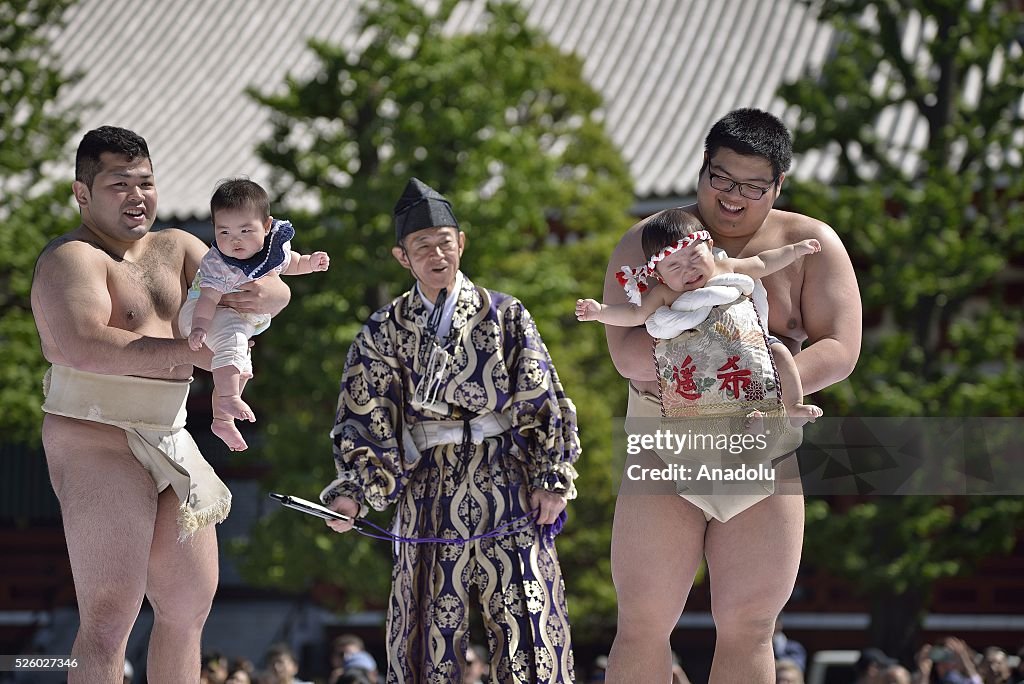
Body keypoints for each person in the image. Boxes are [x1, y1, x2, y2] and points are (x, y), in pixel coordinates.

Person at [600, 108, 861, 683]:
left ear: (778, 185)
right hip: (665, 439)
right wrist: (728, 360)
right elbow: (626, 351)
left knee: (749, 623)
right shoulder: (653, 240)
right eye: (721, 179)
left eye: (751, 187)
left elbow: (840, 347)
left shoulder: (808, 243)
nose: (734, 199)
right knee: (643, 619)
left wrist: (762, 373)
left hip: (760, 442)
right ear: (702, 169)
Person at [30, 126, 290, 682]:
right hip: (95, 435)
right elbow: (81, 344)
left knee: (188, 608)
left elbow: (265, 284)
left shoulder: (178, 246)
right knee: (109, 617)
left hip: (171, 432)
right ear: (83, 193)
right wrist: (193, 354)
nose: (136, 196)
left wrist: (262, 294)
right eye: (118, 184)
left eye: (144, 182)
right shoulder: (71, 258)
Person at [322, 178, 580, 683]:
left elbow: (542, 394)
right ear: (403, 257)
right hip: (426, 486)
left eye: (445, 242)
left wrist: (550, 477)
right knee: (423, 633)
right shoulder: (383, 330)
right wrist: (354, 492)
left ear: (461, 243)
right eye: (423, 247)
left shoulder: (506, 314)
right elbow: (363, 416)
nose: (437, 254)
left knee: (528, 626)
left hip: (505, 480)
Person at [576, 207, 823, 426]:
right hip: (705, 356)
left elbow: (762, 262)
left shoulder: (726, 267)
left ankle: (792, 406)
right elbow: (636, 314)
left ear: (710, 247)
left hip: (751, 342)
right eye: (675, 267)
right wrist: (601, 312)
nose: (689, 269)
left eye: (695, 257)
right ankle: (743, 422)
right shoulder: (665, 294)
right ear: (660, 276)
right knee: (708, 388)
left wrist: (794, 250)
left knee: (780, 354)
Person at [179, 178, 330, 451]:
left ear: (267, 226)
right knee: (233, 345)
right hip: (205, 313)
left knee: (242, 369)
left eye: (245, 230)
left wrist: (310, 263)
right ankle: (227, 398)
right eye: (224, 232)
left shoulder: (272, 248)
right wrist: (199, 327)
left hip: (234, 320)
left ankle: (222, 419)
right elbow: (208, 298)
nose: (234, 239)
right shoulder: (218, 263)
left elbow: (291, 262)